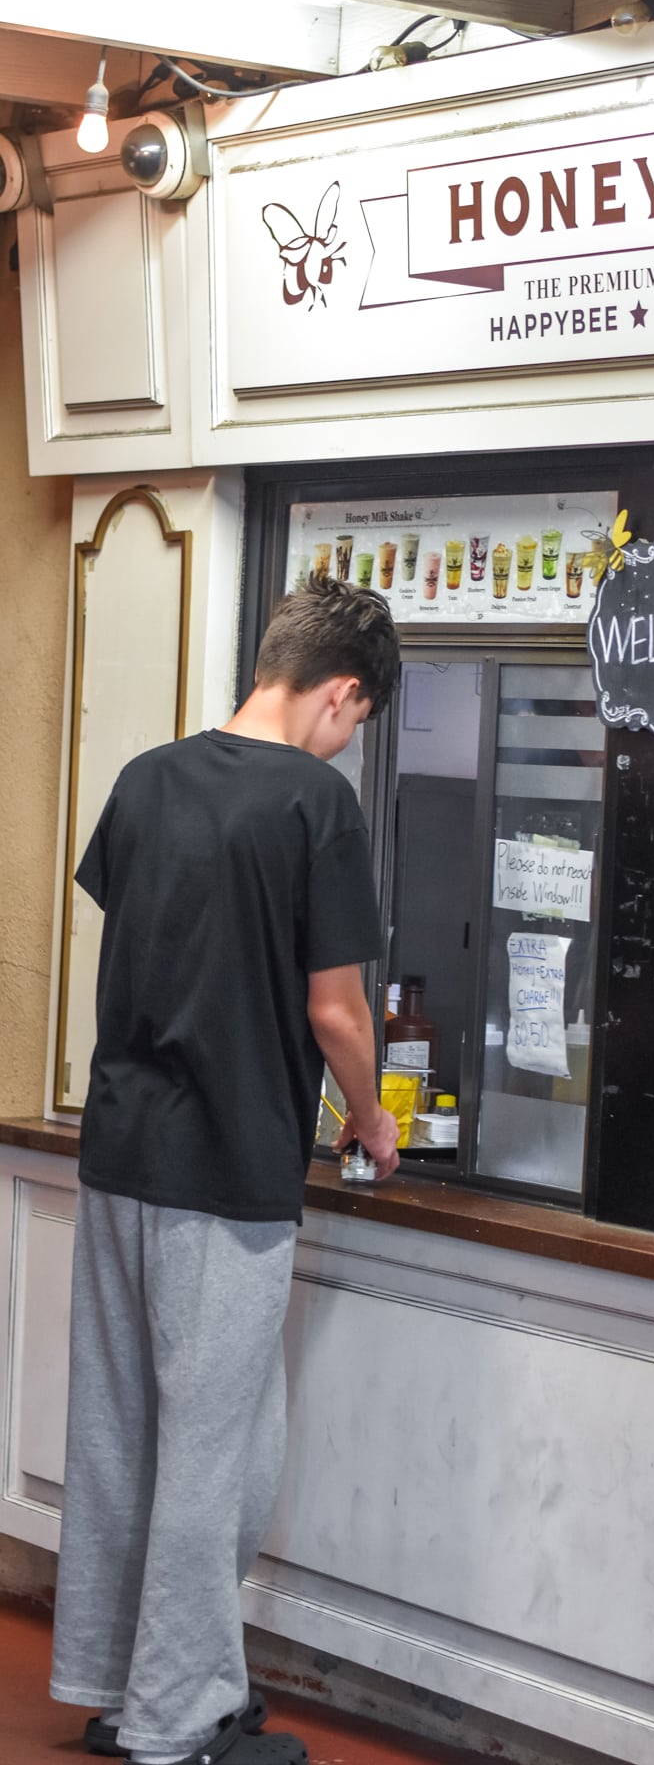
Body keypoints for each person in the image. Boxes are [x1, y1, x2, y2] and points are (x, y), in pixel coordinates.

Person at [50, 576, 402, 1765]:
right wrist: (373, 1122)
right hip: (229, 1164)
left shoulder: (146, 778)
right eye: (357, 720)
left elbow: (149, 937)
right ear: (341, 693)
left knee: (125, 1432)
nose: (349, 740)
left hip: (119, 1152)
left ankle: (128, 1683)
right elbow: (340, 1013)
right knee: (216, 1450)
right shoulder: (317, 805)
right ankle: (173, 1724)